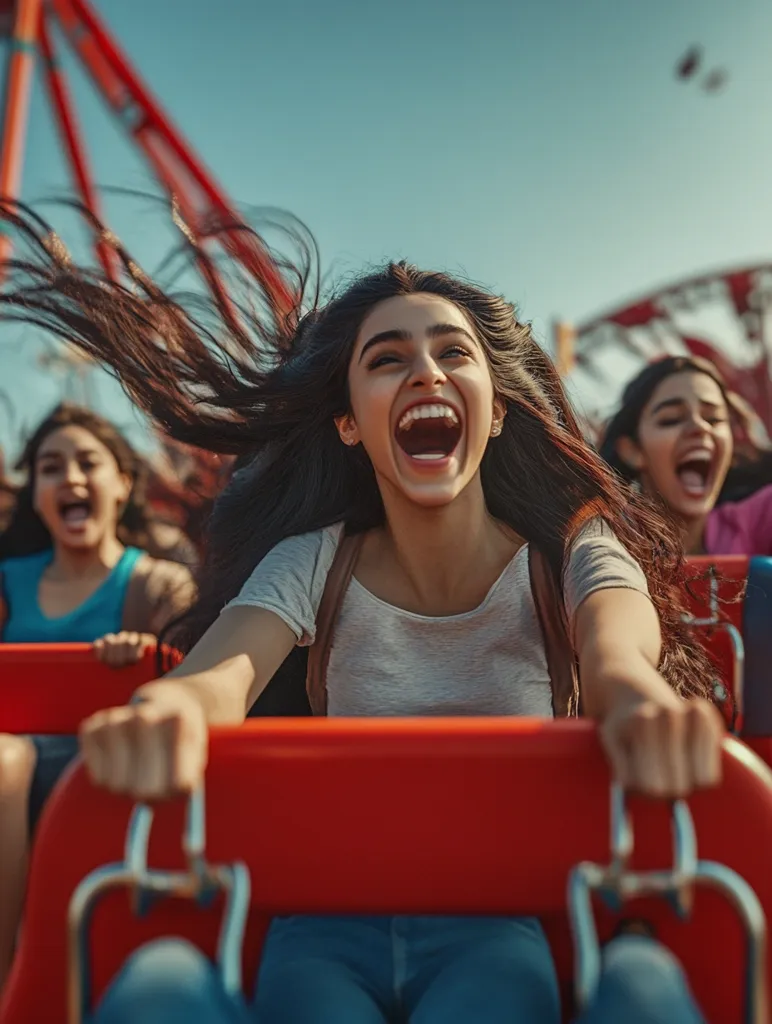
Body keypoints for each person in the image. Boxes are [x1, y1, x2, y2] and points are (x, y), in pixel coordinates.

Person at [0, 214, 722, 1022]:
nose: (424, 373)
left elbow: (616, 649)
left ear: (497, 410)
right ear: (348, 420)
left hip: (495, 919)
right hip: (324, 918)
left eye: (453, 352)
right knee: (159, 985)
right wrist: (167, 709)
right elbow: (220, 675)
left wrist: (639, 703)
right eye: (388, 360)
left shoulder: (571, 551)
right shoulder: (316, 559)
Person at [0, 402, 196, 989]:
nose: (71, 479)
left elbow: (192, 667)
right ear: (35, 492)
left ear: (123, 483)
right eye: (51, 468)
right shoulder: (6, 584)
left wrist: (147, 650)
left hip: (106, 768)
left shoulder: (157, 585)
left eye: (88, 462)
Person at [600, 355, 772, 555]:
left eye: (713, 419)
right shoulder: (604, 542)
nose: (699, 427)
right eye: (671, 419)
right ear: (633, 451)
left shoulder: (754, 521)